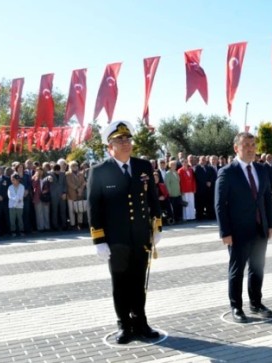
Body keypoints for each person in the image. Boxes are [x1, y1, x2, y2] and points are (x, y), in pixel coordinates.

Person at [87, 120, 162, 344]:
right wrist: (98, 240)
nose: (126, 143)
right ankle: (124, 325)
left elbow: (152, 199)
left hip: (140, 236)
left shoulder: (143, 167)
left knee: (139, 281)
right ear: (110, 145)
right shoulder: (99, 172)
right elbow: (94, 208)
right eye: (120, 140)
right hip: (116, 239)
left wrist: (157, 226)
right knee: (120, 283)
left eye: (128, 139)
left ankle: (140, 321)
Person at [215, 132, 272, 323]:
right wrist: (225, 232)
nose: (250, 148)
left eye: (253, 144)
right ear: (236, 148)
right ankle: (236, 307)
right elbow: (219, 204)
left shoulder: (261, 169)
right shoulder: (227, 172)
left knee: (257, 268)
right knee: (237, 270)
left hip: (260, 228)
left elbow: (266, 199)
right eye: (246, 145)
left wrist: (270, 224)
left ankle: (256, 303)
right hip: (238, 231)